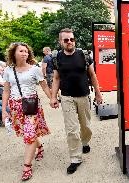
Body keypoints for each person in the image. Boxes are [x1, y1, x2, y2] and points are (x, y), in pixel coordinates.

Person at [50, 28, 103, 174]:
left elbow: (92, 75)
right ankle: (75, 158)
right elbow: (56, 78)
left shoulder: (84, 55)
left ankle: (85, 142)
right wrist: (53, 97)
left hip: (84, 96)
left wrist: (98, 94)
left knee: (86, 125)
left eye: (71, 39)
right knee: (72, 129)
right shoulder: (56, 58)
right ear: (60, 41)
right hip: (66, 97)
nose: (69, 42)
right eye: (66, 40)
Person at [2, 42, 52, 181]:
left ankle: (27, 167)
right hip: (15, 107)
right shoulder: (8, 71)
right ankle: (40, 147)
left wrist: (52, 99)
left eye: (26, 51)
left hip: (31, 106)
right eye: (21, 51)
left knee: (29, 134)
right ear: (14, 53)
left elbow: (44, 86)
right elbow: (6, 91)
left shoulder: (35, 69)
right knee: (28, 133)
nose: (25, 53)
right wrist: (4, 111)